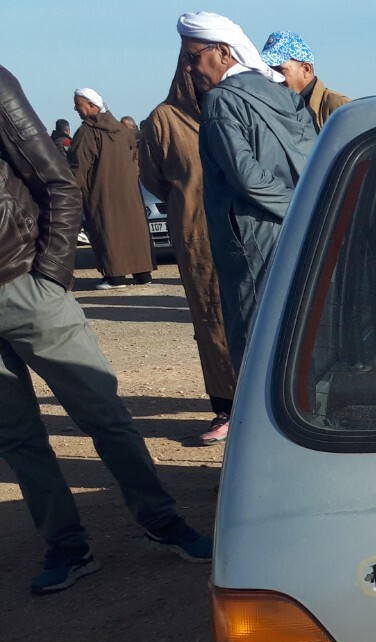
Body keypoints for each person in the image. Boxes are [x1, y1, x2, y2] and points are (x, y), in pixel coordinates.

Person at [0, 65, 212, 593]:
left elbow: (58, 182)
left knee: (102, 413)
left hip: (24, 284)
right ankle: (67, 546)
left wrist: (49, 276)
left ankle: (160, 521)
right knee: (17, 438)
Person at [179, 11, 316, 371]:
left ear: (224, 52)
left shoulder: (221, 101)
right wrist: (307, 210)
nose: (190, 69)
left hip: (252, 234)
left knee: (256, 335)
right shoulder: (282, 93)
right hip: (297, 230)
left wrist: (295, 208)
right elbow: (310, 158)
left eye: (194, 57)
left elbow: (246, 176)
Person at [141, 48, 238, 444]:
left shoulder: (238, 105)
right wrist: (192, 201)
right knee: (213, 320)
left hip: (247, 230)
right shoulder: (164, 119)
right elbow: (153, 178)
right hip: (199, 237)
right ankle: (225, 406)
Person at [69, 88, 154, 290]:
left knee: (108, 231)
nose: (75, 109)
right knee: (134, 231)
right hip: (130, 192)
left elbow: (78, 167)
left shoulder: (87, 132)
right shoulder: (123, 130)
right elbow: (135, 158)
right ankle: (143, 273)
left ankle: (115, 277)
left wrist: (70, 192)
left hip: (101, 194)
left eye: (78, 105)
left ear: (91, 105)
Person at [259, 31, 351, 132]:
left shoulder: (339, 109)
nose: (272, 76)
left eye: (279, 70)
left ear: (306, 69)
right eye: (268, 70)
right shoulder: (269, 109)